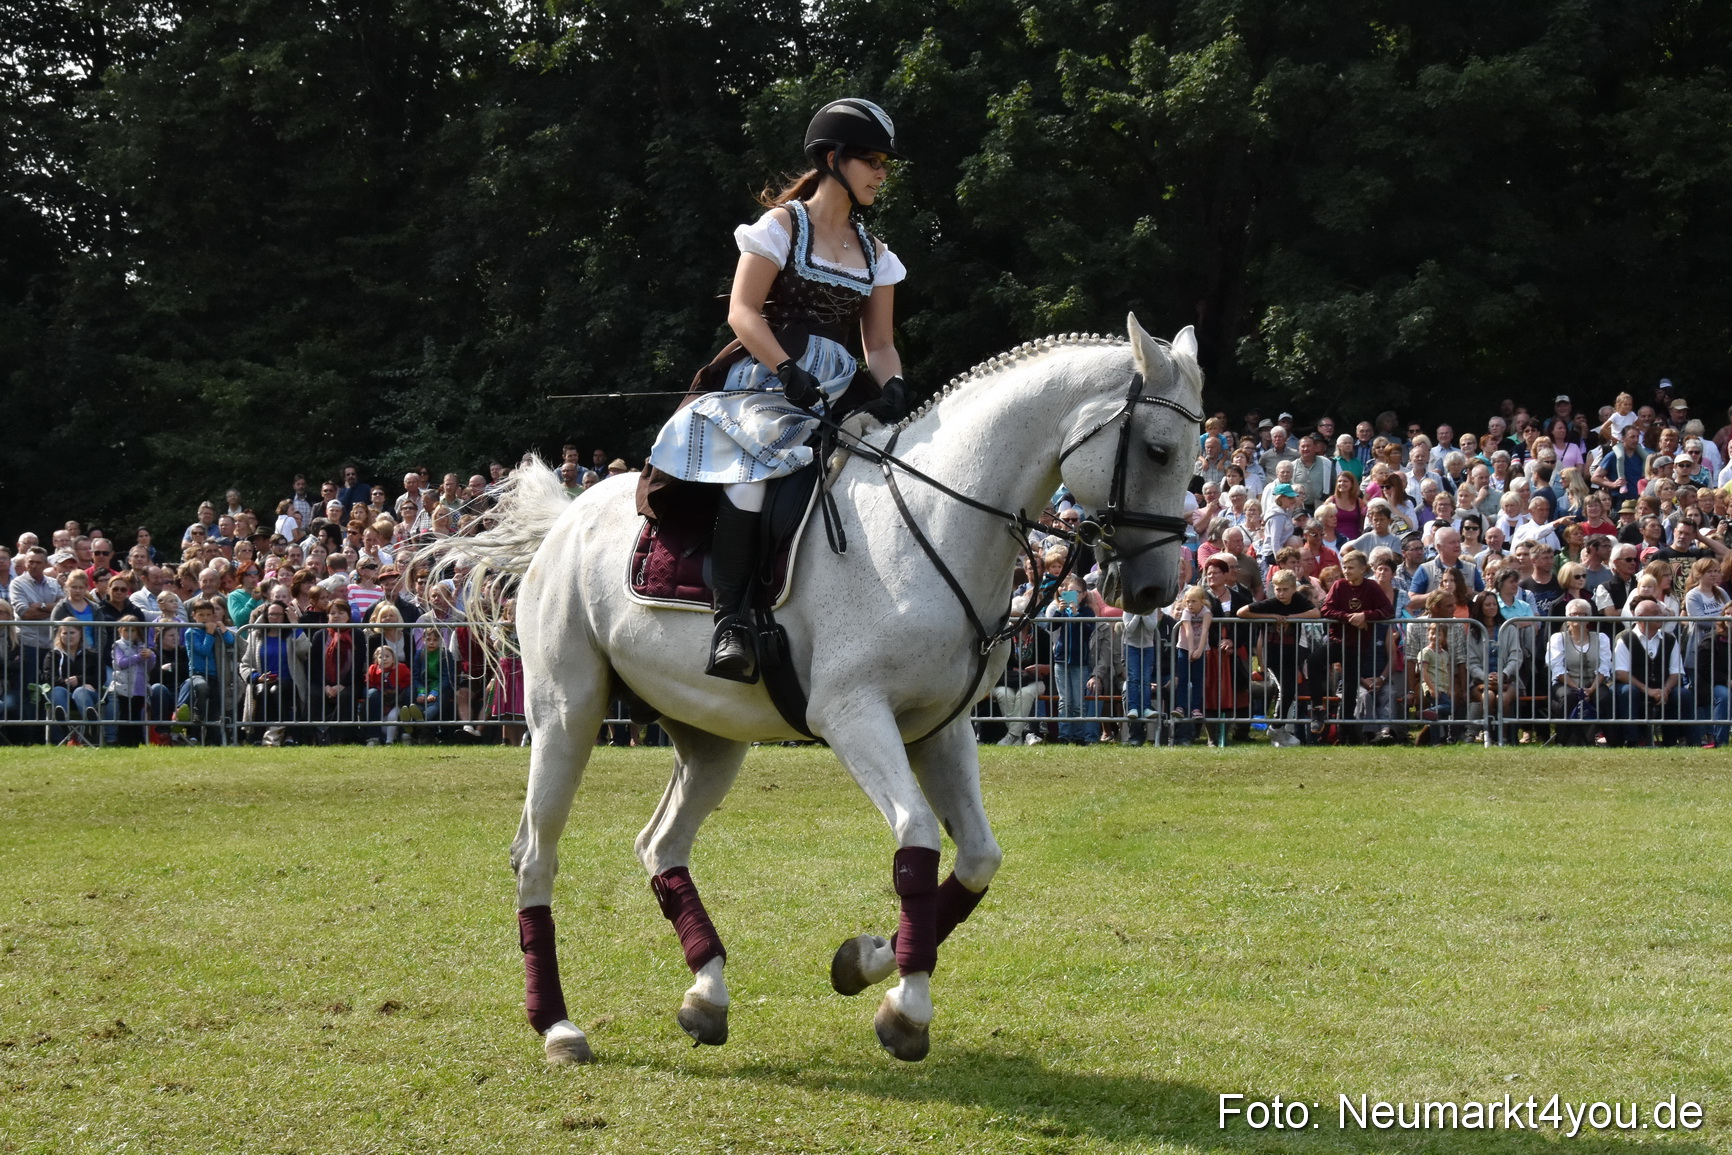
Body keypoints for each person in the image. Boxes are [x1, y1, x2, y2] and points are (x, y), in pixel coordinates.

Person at [646, 98, 912, 680]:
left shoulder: (878, 255)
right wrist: (787, 369)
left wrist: (893, 388)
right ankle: (731, 623)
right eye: (872, 161)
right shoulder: (779, 228)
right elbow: (742, 312)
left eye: (885, 163)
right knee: (754, 479)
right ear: (833, 159)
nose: (881, 174)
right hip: (766, 380)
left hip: (840, 386)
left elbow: (881, 345)